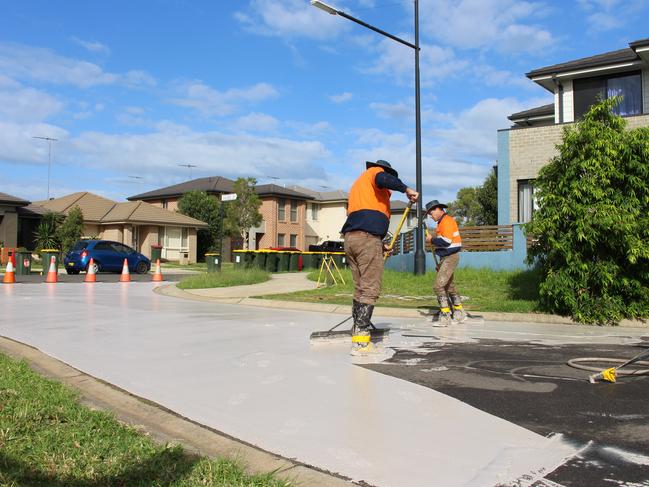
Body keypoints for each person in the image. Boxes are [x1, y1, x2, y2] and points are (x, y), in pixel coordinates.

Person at [341, 159, 419, 355]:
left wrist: (380, 244)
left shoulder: (361, 186)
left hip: (353, 239)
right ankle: (360, 341)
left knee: (360, 288)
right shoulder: (375, 173)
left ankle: (357, 330)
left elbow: (364, 220)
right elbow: (383, 178)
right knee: (370, 289)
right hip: (366, 239)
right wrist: (406, 188)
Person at [424, 199, 466, 326]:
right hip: (446, 257)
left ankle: (445, 315)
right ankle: (459, 312)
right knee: (449, 286)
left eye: (431, 213)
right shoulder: (442, 223)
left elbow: (446, 241)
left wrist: (432, 239)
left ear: (437, 209)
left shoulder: (446, 221)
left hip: (450, 257)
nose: (431, 216)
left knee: (438, 286)